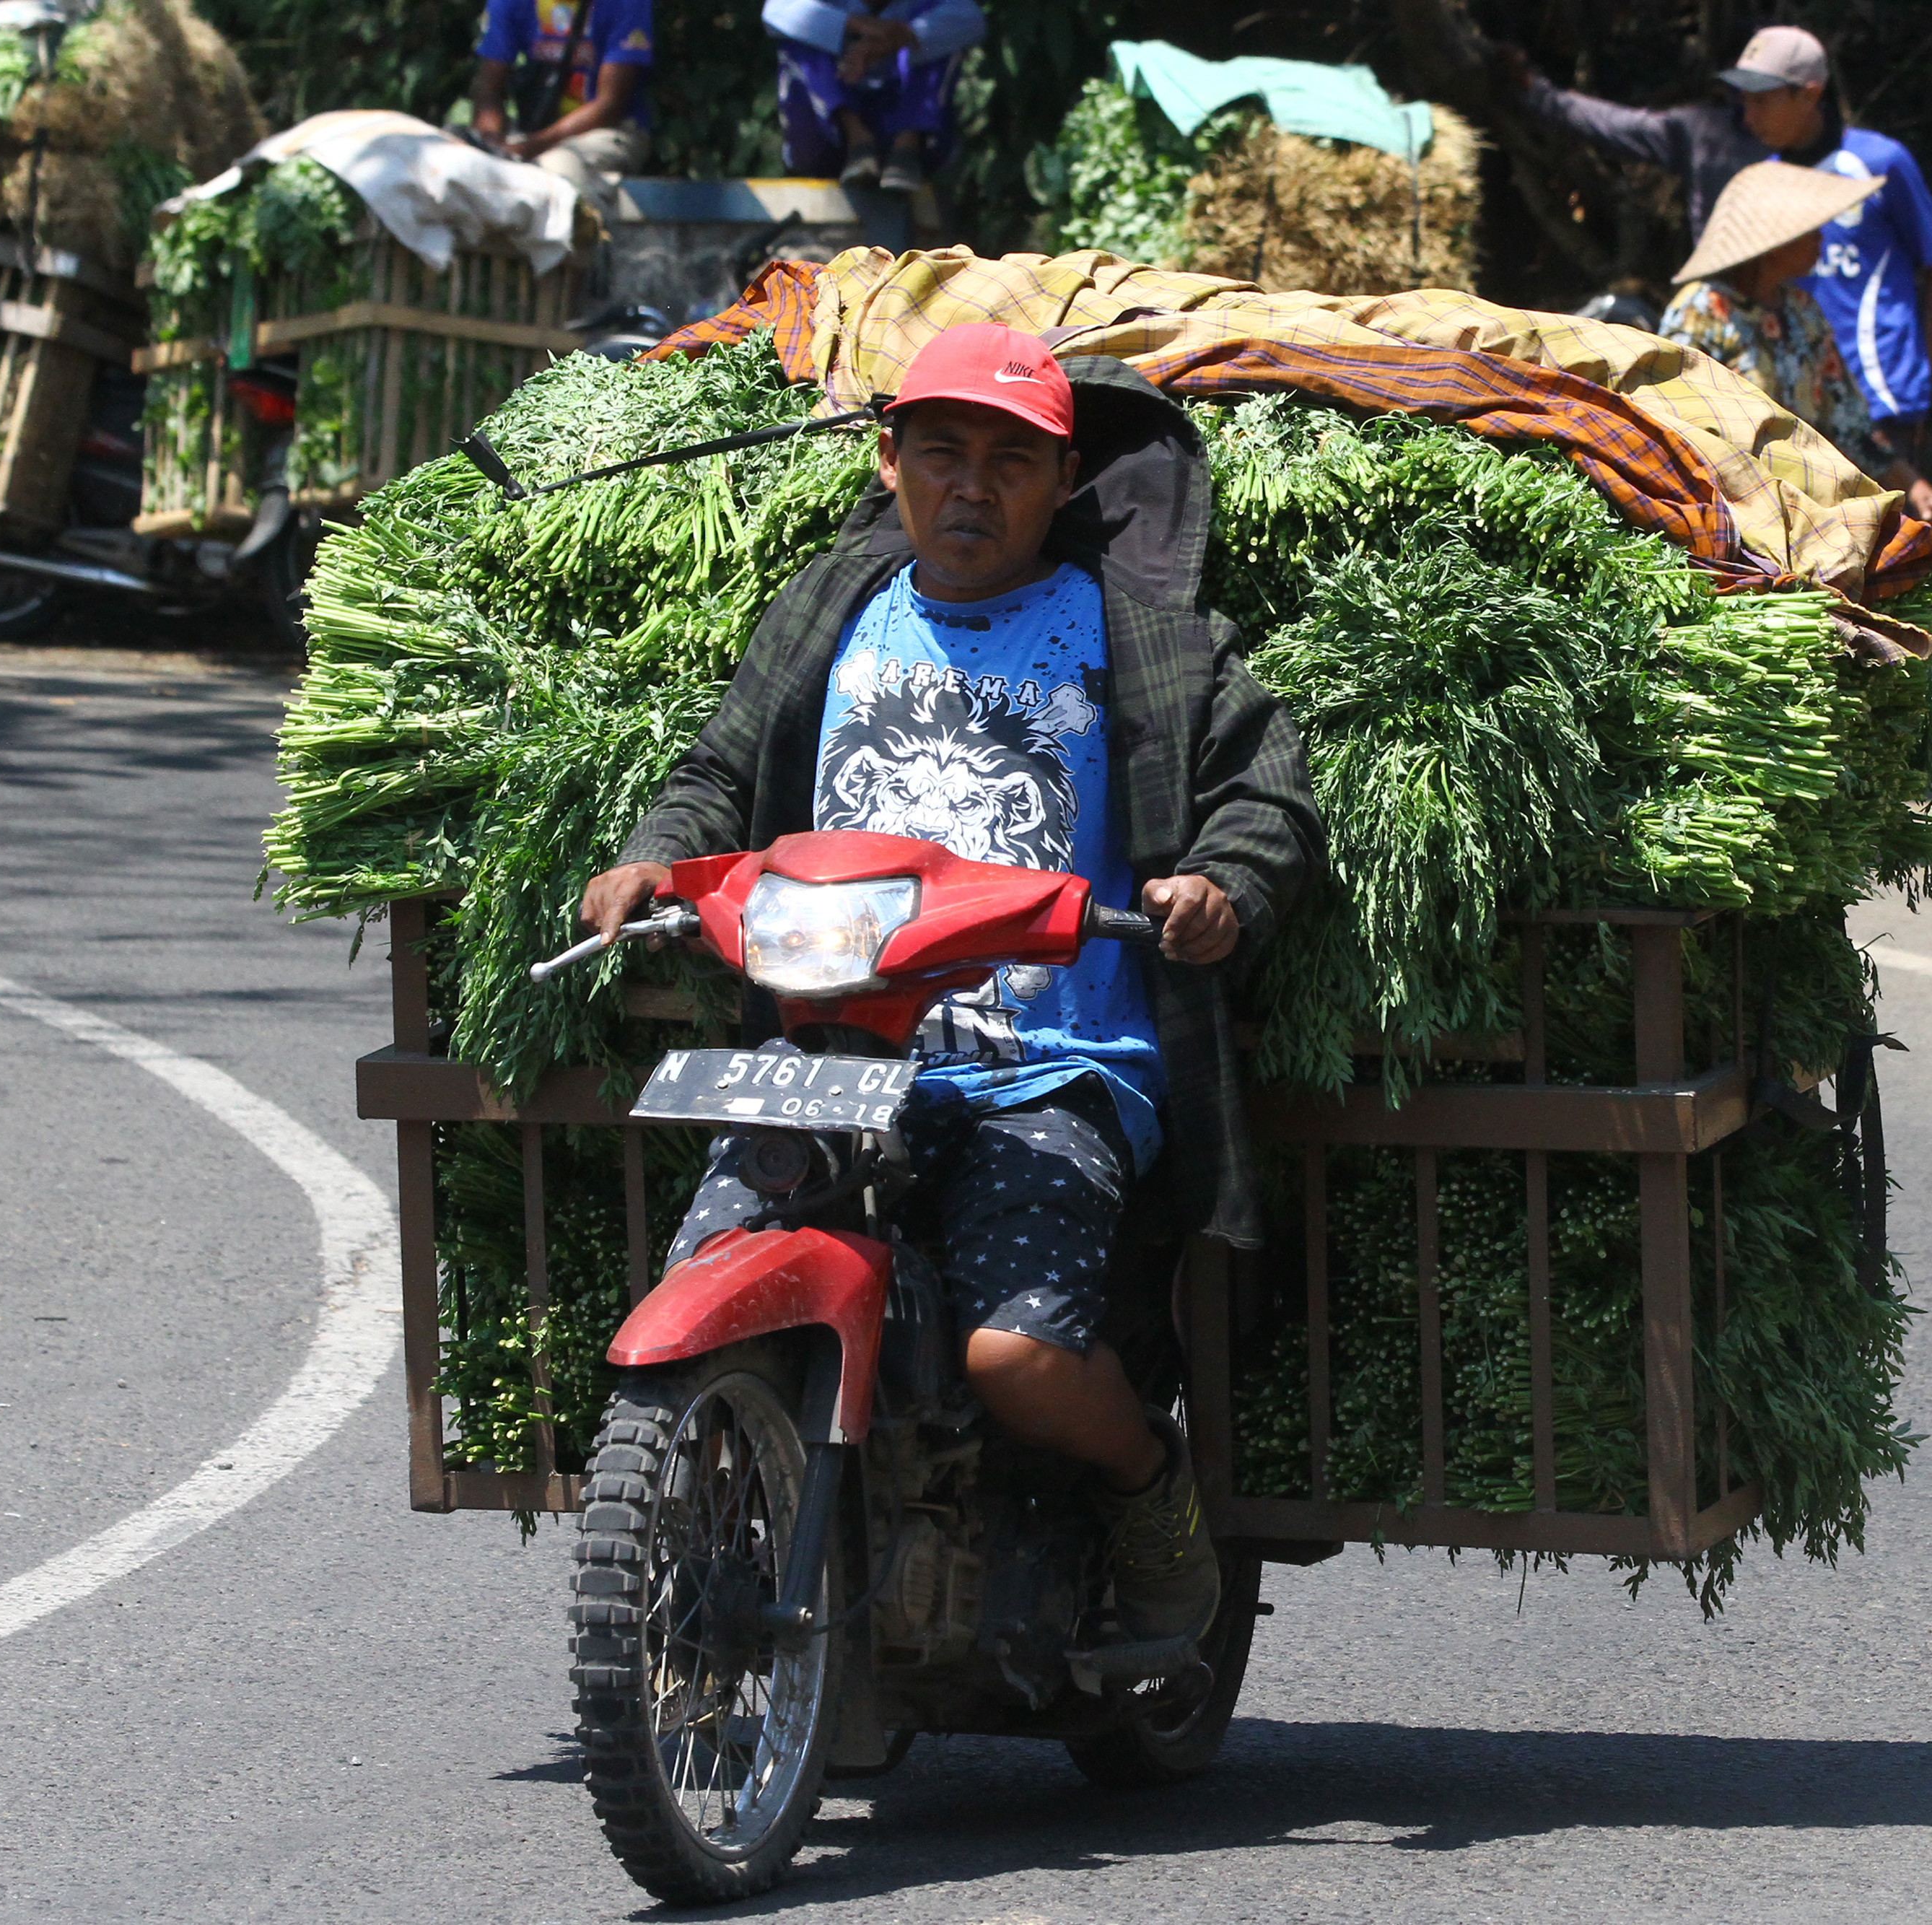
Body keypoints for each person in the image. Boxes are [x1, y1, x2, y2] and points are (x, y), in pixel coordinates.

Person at [573, 326, 1323, 1644]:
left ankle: (1152, 1491)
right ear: (890, 462)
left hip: (1055, 1064)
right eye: (941, 455)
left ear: (1060, 481)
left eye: (1008, 462)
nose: (971, 488)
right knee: (705, 1285)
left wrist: (1219, 888)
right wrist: (654, 860)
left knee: (1015, 1357)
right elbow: (716, 768)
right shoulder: (831, 609)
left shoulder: (1146, 640)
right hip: (829, 1054)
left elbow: (1264, 800)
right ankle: (701, 1588)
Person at [1495, 23, 1932, 452]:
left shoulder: (1879, 163)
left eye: (1762, 99)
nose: (1747, 113)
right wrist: (1538, 94)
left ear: (1809, 94)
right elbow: (1626, 128)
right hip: (1788, 418)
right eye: (1743, 98)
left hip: (1875, 404)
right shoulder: (1756, 179)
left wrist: (1917, 381)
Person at [1660, 161, 1932, 533]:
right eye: (1810, 230)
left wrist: (1913, 485)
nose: (1822, 239)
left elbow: (1847, 420)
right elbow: (1674, 425)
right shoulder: (1699, 314)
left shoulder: (1802, 312)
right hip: (1728, 516)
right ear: (1773, 244)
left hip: (1808, 514)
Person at [762, 0, 983, 193]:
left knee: (943, 34)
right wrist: (854, 24)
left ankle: (907, 147)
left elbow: (971, 18)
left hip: (916, 146)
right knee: (801, 32)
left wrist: (901, 37)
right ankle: (858, 141)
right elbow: (776, 11)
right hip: (827, 144)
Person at [468, 0, 655, 198]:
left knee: (556, 169)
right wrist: (490, 142)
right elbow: (488, 89)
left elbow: (610, 106)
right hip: (532, 132)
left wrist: (526, 148)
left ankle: (584, 227)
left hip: (610, 131)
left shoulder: (627, 4)